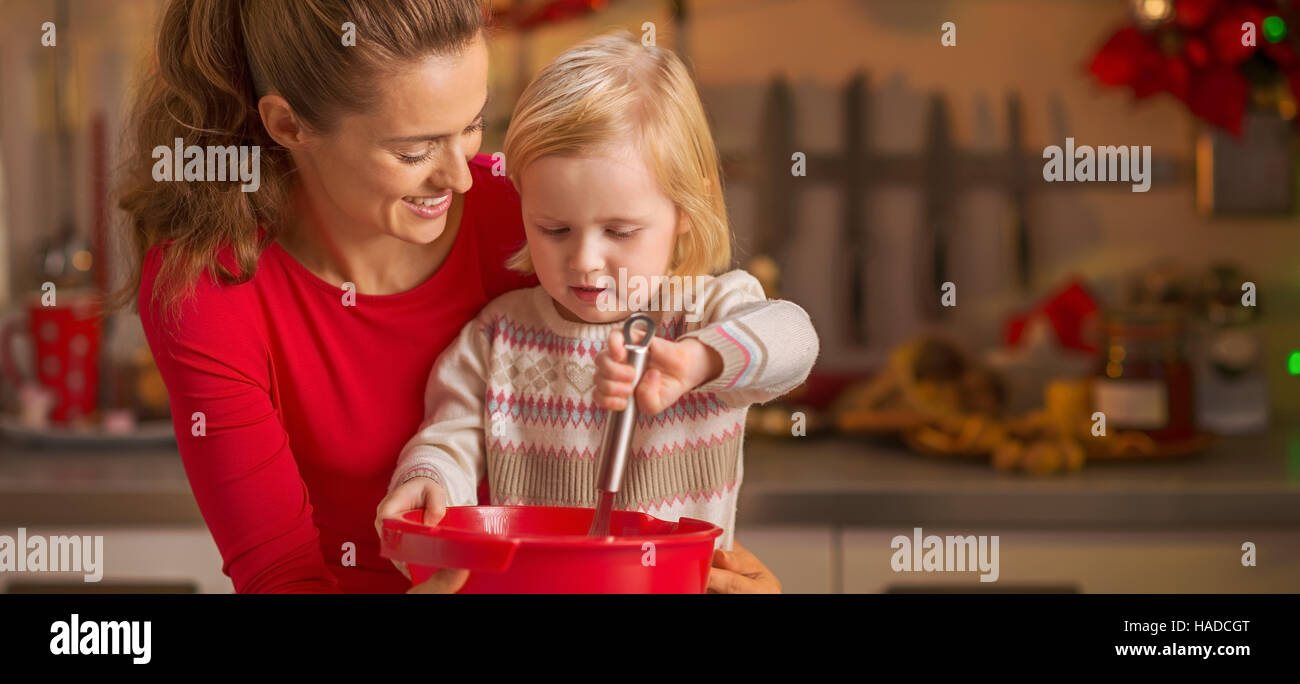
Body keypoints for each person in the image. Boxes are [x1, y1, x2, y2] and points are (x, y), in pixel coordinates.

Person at [119, 0, 783, 593]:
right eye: (414, 150)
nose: (463, 176)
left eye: (473, 126)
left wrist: (701, 572)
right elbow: (279, 575)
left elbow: (673, 361)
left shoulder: (533, 220)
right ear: (290, 125)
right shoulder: (207, 283)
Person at [375, 33, 819, 590]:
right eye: (553, 228)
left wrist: (698, 362)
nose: (584, 261)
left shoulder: (708, 317)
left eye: (619, 231)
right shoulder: (499, 336)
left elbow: (795, 340)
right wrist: (429, 478)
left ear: (687, 206)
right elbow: (450, 439)